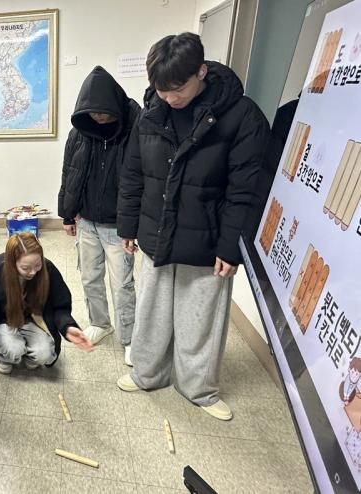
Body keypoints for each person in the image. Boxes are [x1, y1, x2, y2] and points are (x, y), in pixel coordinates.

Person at [116, 33, 269, 421]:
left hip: (208, 241)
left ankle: (198, 388)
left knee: (200, 319)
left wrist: (231, 247)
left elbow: (246, 190)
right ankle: (147, 373)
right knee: (151, 312)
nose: (170, 97)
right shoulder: (151, 113)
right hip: (156, 232)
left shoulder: (242, 116)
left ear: (201, 71)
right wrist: (128, 226)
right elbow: (133, 173)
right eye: (161, 89)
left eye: (178, 88)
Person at [58, 65, 139, 364]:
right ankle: (100, 323)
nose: (98, 118)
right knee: (90, 277)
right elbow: (69, 173)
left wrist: (133, 226)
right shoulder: (80, 132)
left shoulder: (135, 130)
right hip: (87, 221)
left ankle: (130, 338)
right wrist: (68, 214)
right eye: (93, 113)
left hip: (119, 226)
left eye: (103, 112)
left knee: (122, 284)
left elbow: (142, 181)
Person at [0, 233, 93, 373]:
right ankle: (5, 358)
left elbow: (59, 305)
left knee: (44, 353)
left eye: (37, 265)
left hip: (33, 319)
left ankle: (30, 357)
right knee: (13, 349)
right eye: (25, 268)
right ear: (12, 263)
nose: (33, 272)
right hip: (4, 320)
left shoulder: (48, 269)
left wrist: (68, 327)